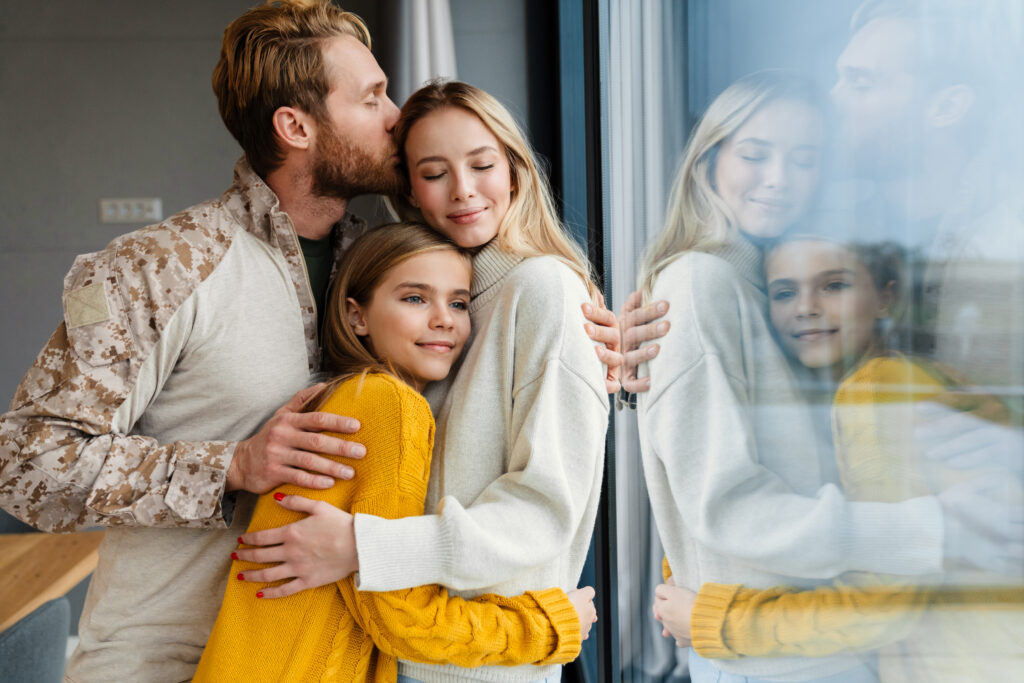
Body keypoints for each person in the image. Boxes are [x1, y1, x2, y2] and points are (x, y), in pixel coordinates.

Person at [0, 3, 619, 680]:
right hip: (165, 659)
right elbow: (27, 463)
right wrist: (232, 466)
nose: (396, 116)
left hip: (325, 655)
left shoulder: (392, 266)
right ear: (296, 126)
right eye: (372, 97)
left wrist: (599, 344)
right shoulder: (158, 267)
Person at [232, 81, 610, 683]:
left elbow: (544, 509)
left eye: (482, 165)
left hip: (482, 663)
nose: (463, 190)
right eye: (434, 173)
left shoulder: (543, 291)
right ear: (409, 189)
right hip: (404, 648)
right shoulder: (443, 300)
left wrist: (364, 547)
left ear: (514, 170)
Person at [632, 71, 976, 683]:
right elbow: (728, 506)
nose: (779, 179)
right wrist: (926, 529)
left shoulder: (771, 284)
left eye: (805, 159)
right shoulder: (699, 283)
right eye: (755, 154)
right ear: (709, 162)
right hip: (775, 657)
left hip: (806, 637)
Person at [194, 222, 597, 681]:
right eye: (415, 298)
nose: (444, 318)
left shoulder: (346, 395)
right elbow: (403, 620)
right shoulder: (390, 406)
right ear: (356, 317)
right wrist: (550, 626)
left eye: (459, 303)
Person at [653, 231, 1024, 681]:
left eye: (834, 285)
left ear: (885, 298)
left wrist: (716, 620)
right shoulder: (874, 382)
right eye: (785, 292)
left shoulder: (874, 392)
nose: (807, 306)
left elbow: (882, 604)